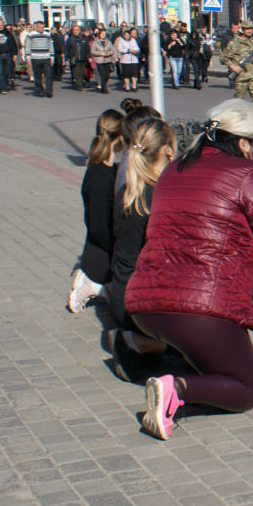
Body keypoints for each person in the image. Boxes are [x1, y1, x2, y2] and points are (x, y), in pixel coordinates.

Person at [125, 99, 253, 440]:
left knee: (213, 363)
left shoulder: (175, 169)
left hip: (146, 304)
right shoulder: (246, 173)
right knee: (245, 389)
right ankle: (176, 388)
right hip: (200, 309)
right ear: (245, 143)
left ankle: (176, 394)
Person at [107, 117, 177, 383]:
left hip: (121, 293)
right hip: (140, 302)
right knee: (202, 345)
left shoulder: (127, 192)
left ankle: (139, 341)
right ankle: (134, 342)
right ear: (168, 149)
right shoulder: (160, 196)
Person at [67, 109, 124, 314]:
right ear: (119, 138)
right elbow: (98, 222)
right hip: (103, 246)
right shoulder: (101, 175)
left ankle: (97, 284)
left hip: (100, 244)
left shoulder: (104, 168)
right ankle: (88, 283)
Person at [224, 20, 253, 108]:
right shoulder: (234, 43)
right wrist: (232, 66)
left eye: (251, 28)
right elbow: (224, 57)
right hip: (242, 77)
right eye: (247, 29)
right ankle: (235, 120)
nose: (250, 30)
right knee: (238, 102)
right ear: (243, 29)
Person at [25, 21, 56, 98]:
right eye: (40, 27)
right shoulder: (31, 35)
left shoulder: (47, 35)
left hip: (46, 57)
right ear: (36, 27)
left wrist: (52, 57)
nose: (41, 29)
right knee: (37, 75)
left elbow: (50, 45)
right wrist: (27, 57)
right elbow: (27, 46)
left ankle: (49, 91)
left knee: (48, 75)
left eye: (43, 27)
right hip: (35, 58)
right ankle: (40, 90)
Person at [90, 27, 118, 94]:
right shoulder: (95, 42)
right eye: (102, 34)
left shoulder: (108, 41)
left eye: (104, 34)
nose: (103, 35)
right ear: (99, 34)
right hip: (99, 60)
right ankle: (105, 89)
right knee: (102, 74)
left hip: (107, 59)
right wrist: (100, 53)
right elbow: (92, 51)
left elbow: (112, 49)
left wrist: (109, 53)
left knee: (107, 75)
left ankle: (103, 85)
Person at [0, 16, 20, 94]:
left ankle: (5, 84)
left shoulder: (8, 33)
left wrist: (14, 54)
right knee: (0, 72)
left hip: (7, 54)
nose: (1, 26)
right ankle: (3, 88)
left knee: (7, 71)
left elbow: (13, 43)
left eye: (2, 25)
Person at [115, 28, 141, 92]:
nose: (127, 36)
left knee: (134, 73)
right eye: (125, 35)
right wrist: (127, 50)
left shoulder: (133, 40)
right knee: (126, 74)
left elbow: (137, 47)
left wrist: (136, 51)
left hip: (134, 59)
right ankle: (127, 86)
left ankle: (134, 86)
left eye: (128, 35)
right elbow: (119, 49)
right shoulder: (121, 41)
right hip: (125, 60)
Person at [65, 24, 90, 91]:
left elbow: (87, 48)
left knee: (82, 73)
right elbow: (66, 50)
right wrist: (66, 59)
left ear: (79, 31)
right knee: (77, 73)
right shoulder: (70, 39)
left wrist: (89, 56)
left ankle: (80, 82)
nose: (76, 31)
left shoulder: (83, 39)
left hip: (82, 58)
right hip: (74, 59)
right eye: (74, 30)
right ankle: (80, 86)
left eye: (77, 30)